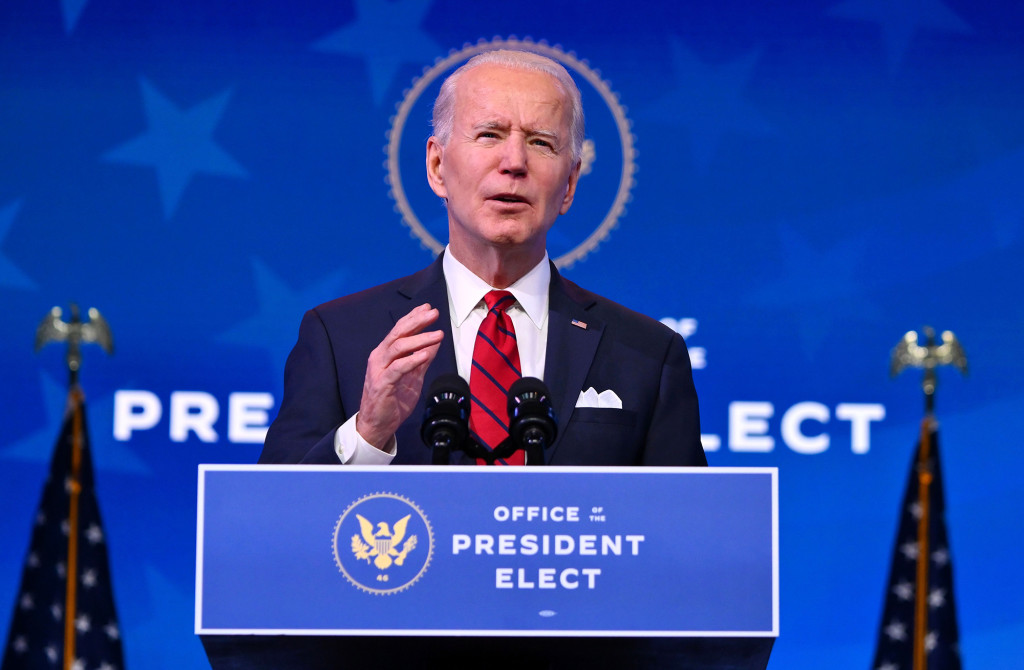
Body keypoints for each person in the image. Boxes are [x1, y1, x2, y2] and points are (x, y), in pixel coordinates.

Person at [259, 49, 704, 468]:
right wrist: (368, 432)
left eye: (541, 143)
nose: (514, 162)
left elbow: (690, 532)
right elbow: (270, 521)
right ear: (437, 167)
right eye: (489, 135)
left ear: (569, 184)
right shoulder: (340, 337)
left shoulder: (648, 354)